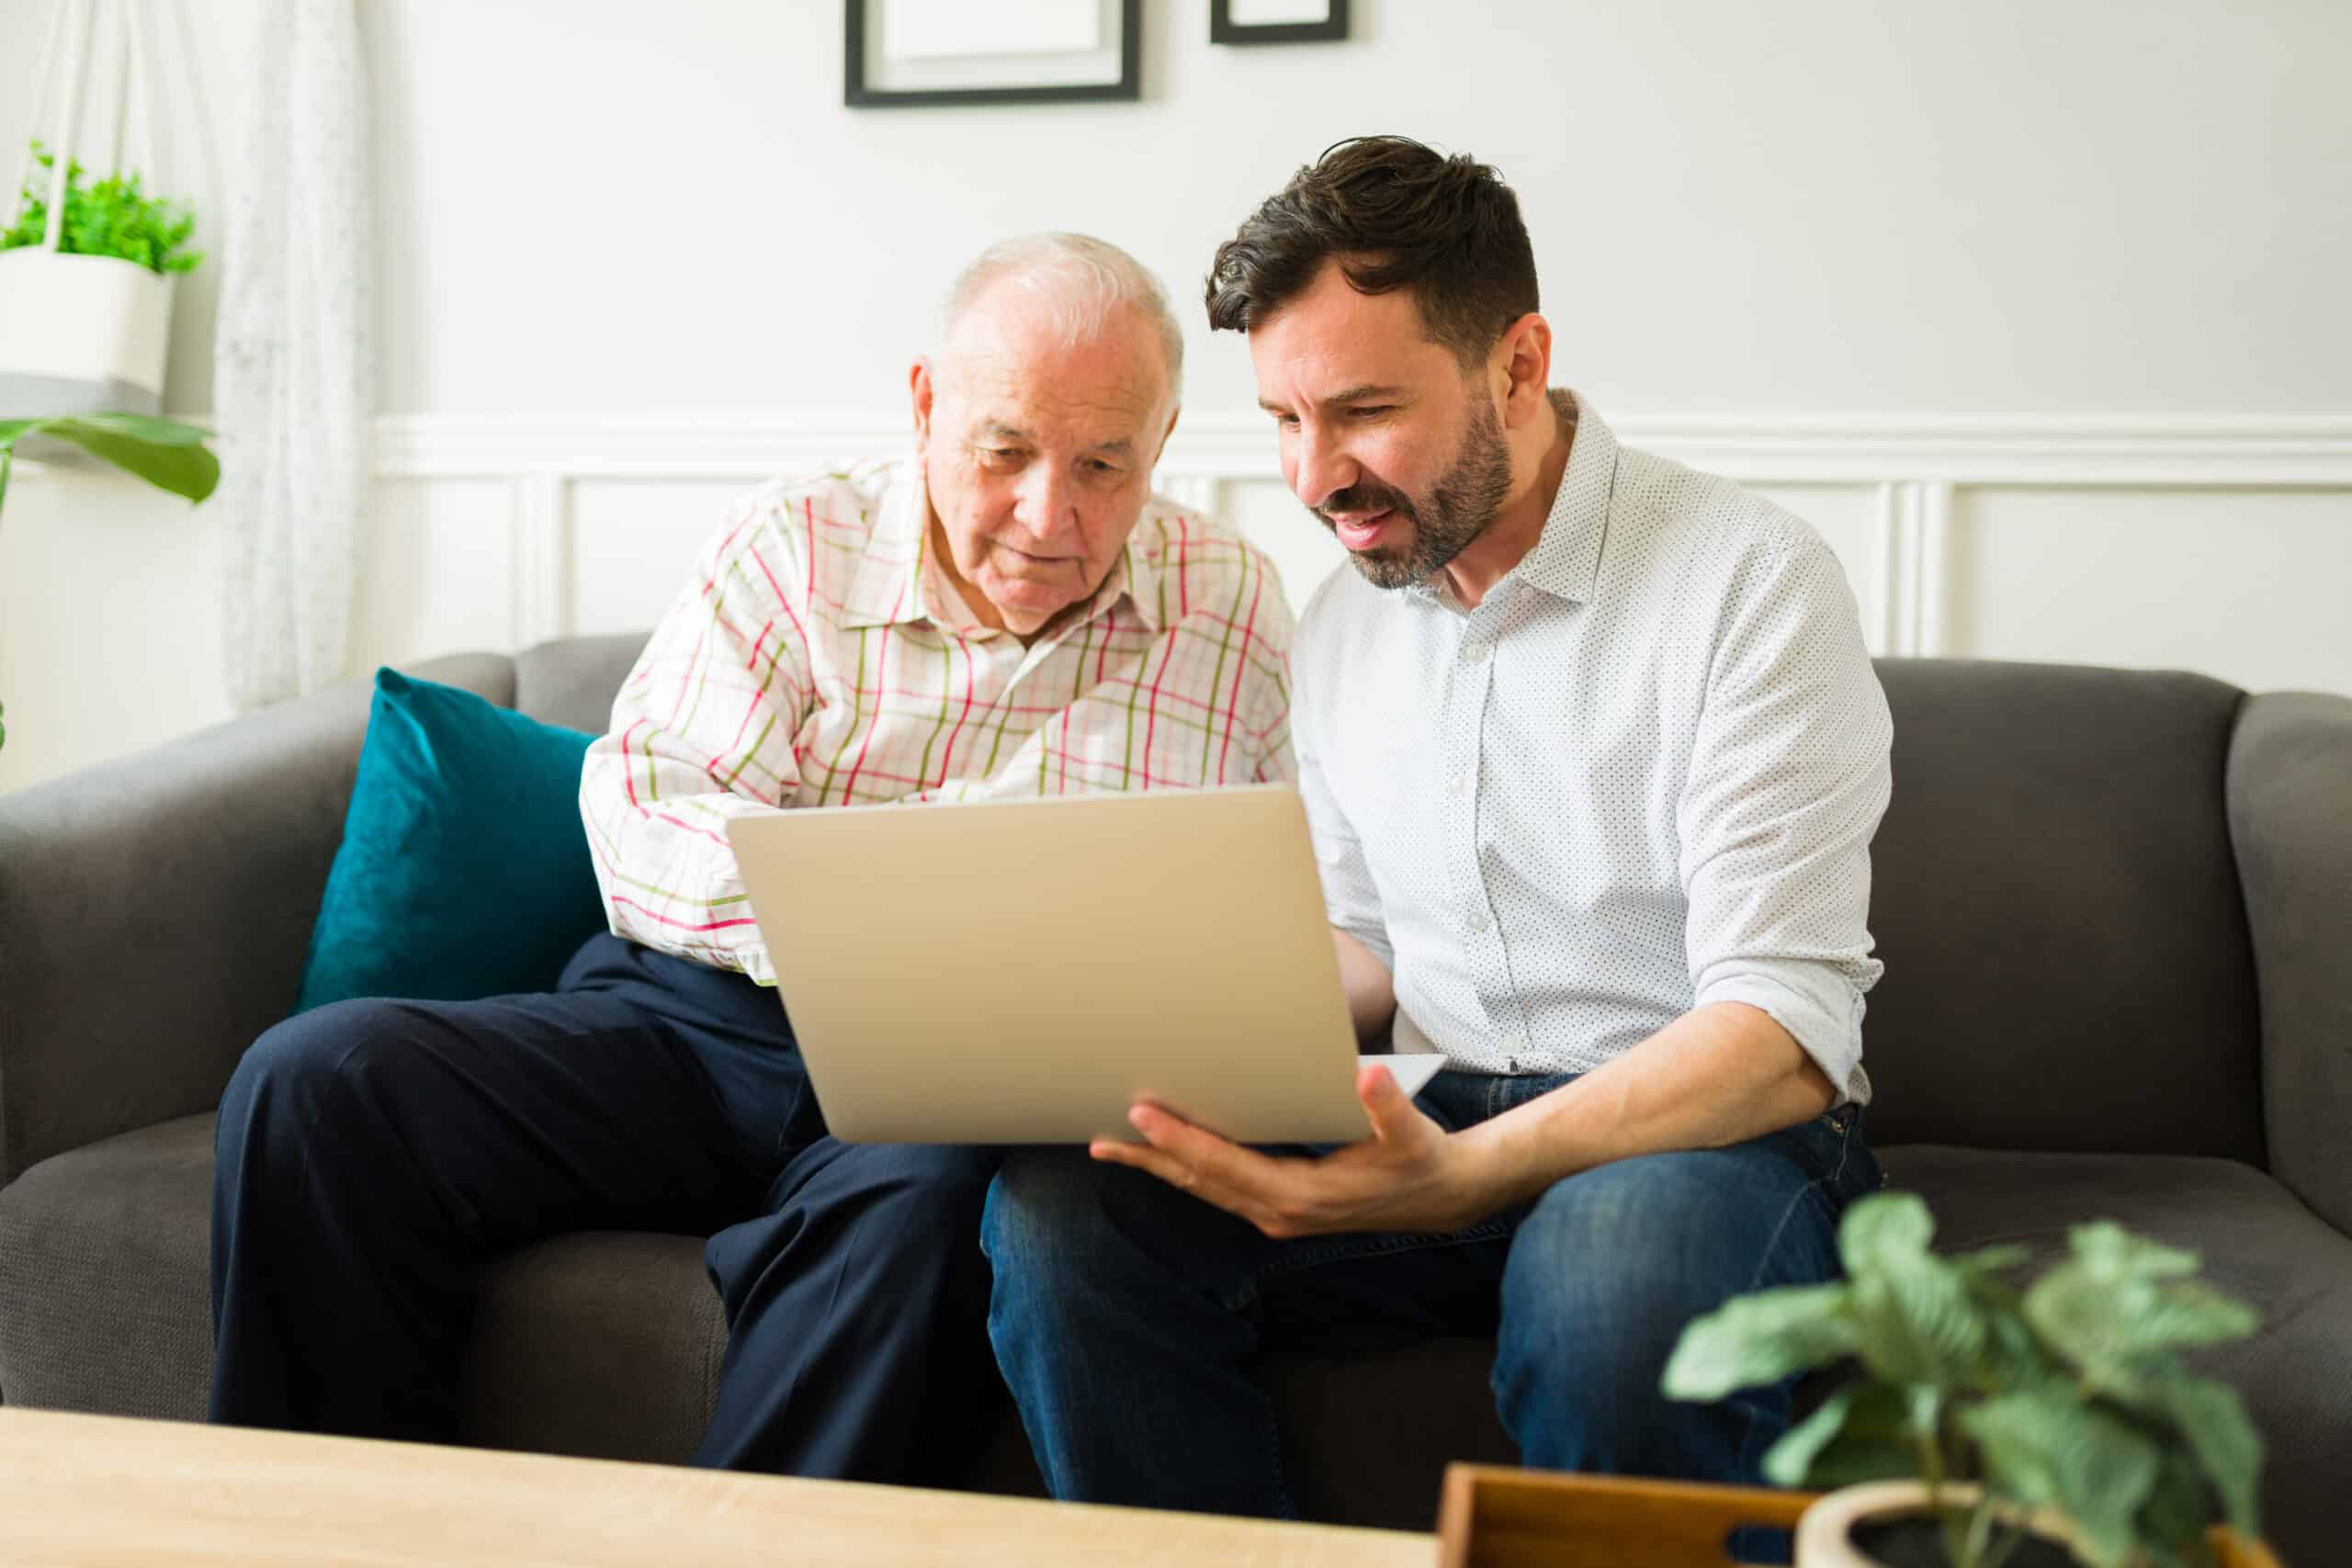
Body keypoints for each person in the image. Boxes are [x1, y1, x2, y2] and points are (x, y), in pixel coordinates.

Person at [207, 232, 1296, 1483]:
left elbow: (1245, 902)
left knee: (924, 1207)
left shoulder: (1229, 603)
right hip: (693, 1027)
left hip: (954, 1087)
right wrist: (861, 925)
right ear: (927, 406)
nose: (1052, 515)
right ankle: (316, 1536)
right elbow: (651, 808)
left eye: (1105, 465)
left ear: (1161, 445)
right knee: (319, 1077)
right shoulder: (795, 544)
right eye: (1006, 453)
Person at [981, 140, 1894, 1518]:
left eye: (1361, 412)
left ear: (1518, 364)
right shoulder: (1350, 622)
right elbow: (1362, 942)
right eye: (1283, 421)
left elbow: (1778, 1029)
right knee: (1070, 1217)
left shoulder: (1748, 584)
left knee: (1614, 1291)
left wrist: (1462, 1176)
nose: (1313, 477)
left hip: (1699, 1140)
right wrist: (1171, 1017)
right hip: (1434, 1105)